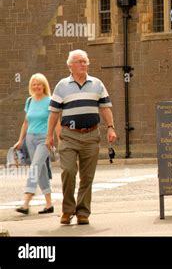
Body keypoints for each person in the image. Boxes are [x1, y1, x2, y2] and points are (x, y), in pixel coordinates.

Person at [46, 49, 117, 225]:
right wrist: (49, 136)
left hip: (92, 135)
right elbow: (54, 113)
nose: (83, 64)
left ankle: (83, 212)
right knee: (68, 172)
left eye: (85, 61)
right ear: (70, 65)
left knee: (87, 177)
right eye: (79, 62)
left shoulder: (97, 84)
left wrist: (111, 128)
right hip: (69, 136)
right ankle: (67, 210)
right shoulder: (62, 86)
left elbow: (106, 107)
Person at [14, 73, 60, 215]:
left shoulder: (50, 101)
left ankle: (26, 203)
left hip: (44, 139)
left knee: (34, 167)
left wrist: (59, 140)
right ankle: (49, 204)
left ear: (44, 85)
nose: (36, 86)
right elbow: (26, 122)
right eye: (34, 84)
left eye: (39, 84)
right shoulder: (29, 101)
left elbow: (56, 122)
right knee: (41, 170)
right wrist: (20, 140)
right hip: (30, 138)